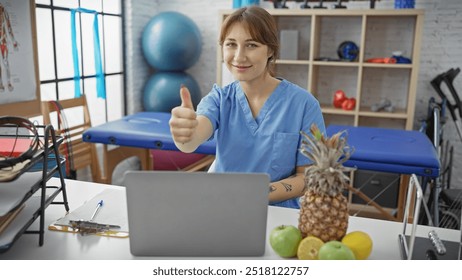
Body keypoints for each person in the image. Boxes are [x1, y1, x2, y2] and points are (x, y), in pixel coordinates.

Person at [169, 6, 325, 209]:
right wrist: (185, 135)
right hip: (222, 209)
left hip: (278, 219)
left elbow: (308, 176)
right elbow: (192, 141)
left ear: (270, 50)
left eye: (251, 45)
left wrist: (254, 194)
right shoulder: (218, 99)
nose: (239, 56)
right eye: (231, 44)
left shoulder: (304, 104)